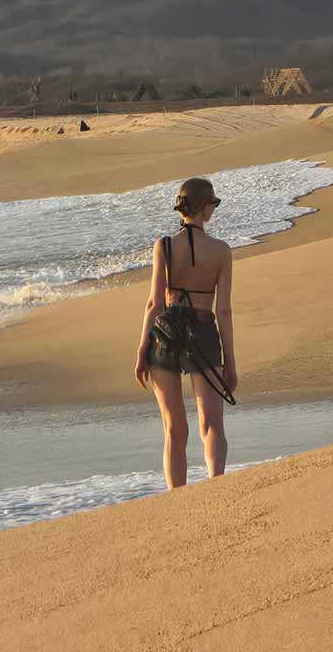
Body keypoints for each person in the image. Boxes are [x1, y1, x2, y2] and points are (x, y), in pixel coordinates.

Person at [134, 177, 237, 489]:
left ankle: (176, 498)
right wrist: (230, 363)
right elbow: (224, 311)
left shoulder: (163, 246)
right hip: (203, 331)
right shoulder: (221, 251)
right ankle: (215, 487)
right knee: (211, 423)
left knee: (174, 429)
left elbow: (154, 302)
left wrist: (141, 350)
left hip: (166, 332)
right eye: (212, 205)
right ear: (205, 209)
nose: (213, 211)